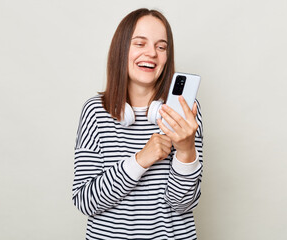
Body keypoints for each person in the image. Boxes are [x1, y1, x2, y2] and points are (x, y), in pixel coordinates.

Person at [72, 8, 203, 240]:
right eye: (140, 43)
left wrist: (185, 150)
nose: (151, 53)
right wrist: (141, 159)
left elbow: (182, 204)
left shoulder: (184, 111)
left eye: (161, 47)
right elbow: (85, 201)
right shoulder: (95, 111)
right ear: (121, 50)